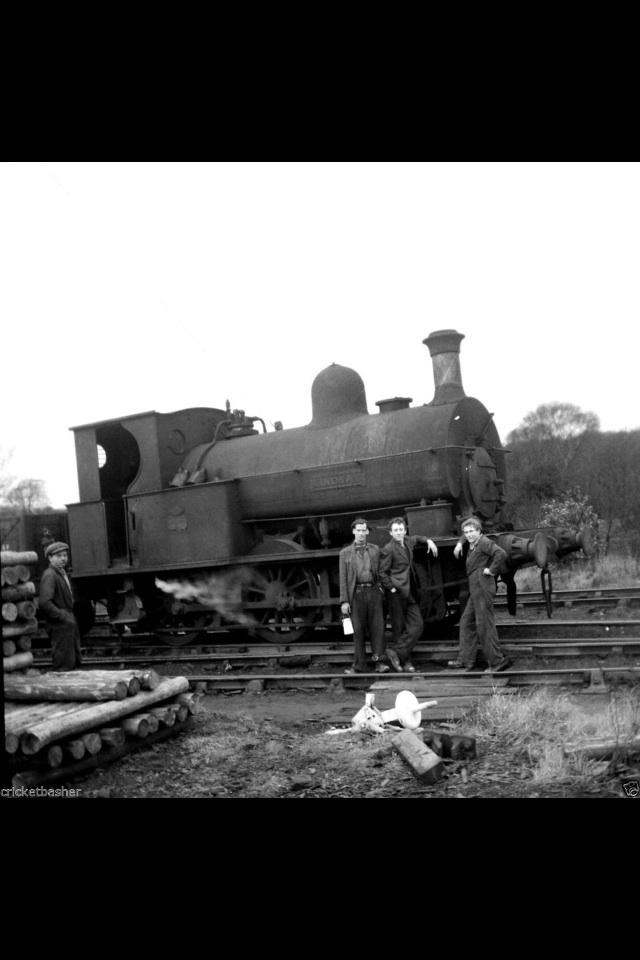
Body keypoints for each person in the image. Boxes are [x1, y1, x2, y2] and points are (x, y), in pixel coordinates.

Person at [449, 517, 510, 672]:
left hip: (483, 586)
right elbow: (467, 534)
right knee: (466, 622)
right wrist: (459, 543)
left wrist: (491, 570)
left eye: (471, 532)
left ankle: (497, 661)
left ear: (479, 531)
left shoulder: (483, 542)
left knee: (484, 625)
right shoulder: (472, 541)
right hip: (475, 589)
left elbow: (500, 553)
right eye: (466, 532)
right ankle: (466, 659)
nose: (468, 535)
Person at [379, 517, 438, 672]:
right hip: (396, 592)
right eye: (395, 530)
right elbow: (382, 572)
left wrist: (428, 541)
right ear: (391, 533)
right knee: (399, 627)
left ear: (405, 531)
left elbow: (417, 538)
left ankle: (395, 653)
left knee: (417, 624)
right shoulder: (388, 548)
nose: (399, 532)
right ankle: (406, 662)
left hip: (409, 591)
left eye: (401, 529)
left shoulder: (408, 541)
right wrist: (391, 588)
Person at [339, 518, 390, 674]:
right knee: (358, 630)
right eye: (358, 530)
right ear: (354, 531)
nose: (361, 533)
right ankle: (359, 665)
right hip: (356, 594)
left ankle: (379, 663)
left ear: (367, 532)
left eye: (363, 530)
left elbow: (383, 569)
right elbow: (343, 578)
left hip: (374, 592)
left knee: (378, 628)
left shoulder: (375, 549)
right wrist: (344, 601)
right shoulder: (345, 553)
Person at [38, 541, 83, 671]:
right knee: (63, 665)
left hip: (66, 625)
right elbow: (44, 602)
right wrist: (63, 616)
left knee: (71, 662)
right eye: (58, 556)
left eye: (65, 555)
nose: (63, 558)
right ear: (50, 558)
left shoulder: (61, 573)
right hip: (59, 625)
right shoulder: (50, 575)